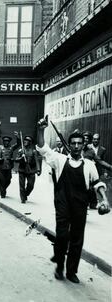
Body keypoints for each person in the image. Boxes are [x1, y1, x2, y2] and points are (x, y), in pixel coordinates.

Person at [36, 116, 109, 283]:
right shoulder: (60, 160)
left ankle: (71, 271)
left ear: (83, 145)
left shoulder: (89, 165)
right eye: (73, 143)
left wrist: (104, 200)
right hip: (62, 205)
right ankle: (59, 266)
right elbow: (42, 148)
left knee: (77, 239)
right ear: (70, 145)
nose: (76, 146)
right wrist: (40, 130)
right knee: (62, 236)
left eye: (79, 143)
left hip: (80, 207)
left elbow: (97, 184)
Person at [15, 136, 41, 203]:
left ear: (30, 142)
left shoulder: (34, 151)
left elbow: (37, 161)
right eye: (24, 140)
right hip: (22, 169)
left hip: (31, 169)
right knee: (22, 185)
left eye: (27, 141)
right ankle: (23, 199)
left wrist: (38, 170)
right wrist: (21, 158)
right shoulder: (21, 150)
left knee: (31, 185)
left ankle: (25, 194)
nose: (25, 142)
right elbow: (16, 159)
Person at [0, 133, 19, 198]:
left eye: (7, 141)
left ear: (9, 142)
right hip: (1, 166)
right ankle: (2, 193)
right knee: (2, 180)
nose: (6, 142)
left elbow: (18, 144)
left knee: (8, 180)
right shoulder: (0, 147)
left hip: (9, 166)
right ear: (3, 142)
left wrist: (17, 137)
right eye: (5, 141)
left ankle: (4, 189)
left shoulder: (11, 147)